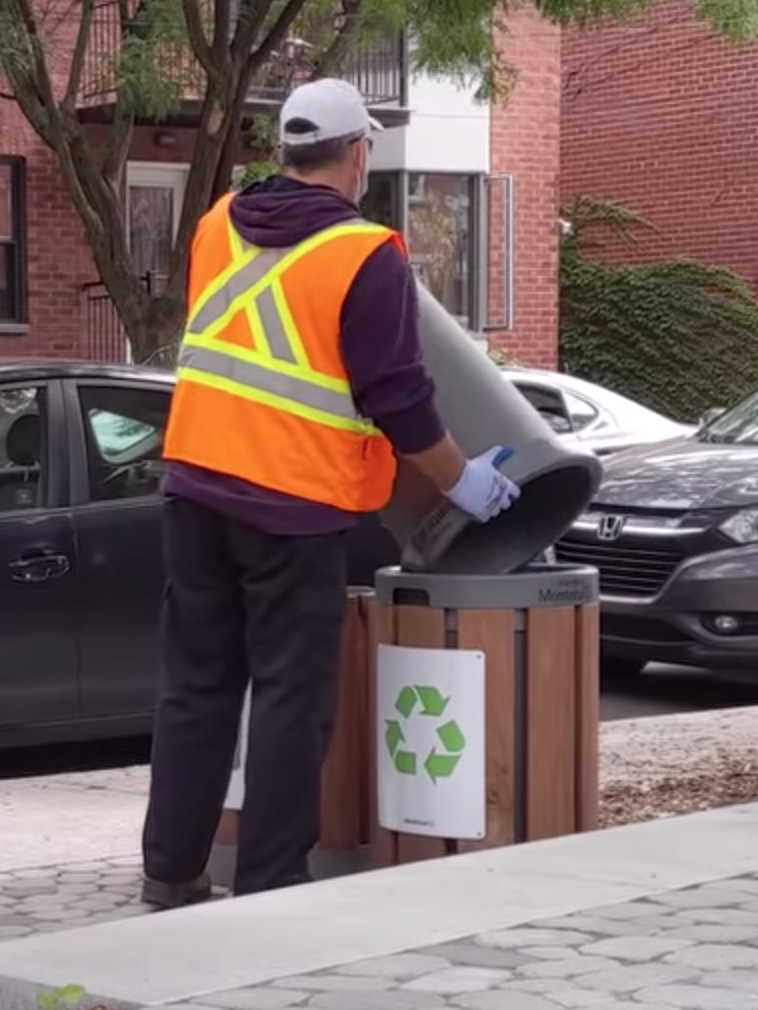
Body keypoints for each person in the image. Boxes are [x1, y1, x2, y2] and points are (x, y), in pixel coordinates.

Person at [139, 77, 521, 909]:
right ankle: (271, 881)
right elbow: (399, 398)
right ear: (356, 153)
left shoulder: (217, 223)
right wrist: (463, 480)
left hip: (194, 490)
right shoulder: (366, 253)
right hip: (292, 505)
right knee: (289, 696)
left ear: (286, 150)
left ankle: (172, 873)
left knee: (196, 687)